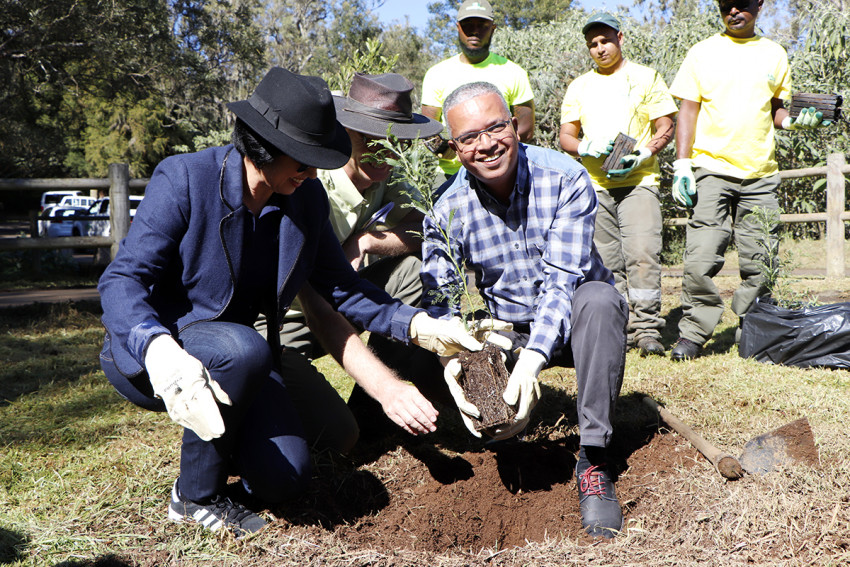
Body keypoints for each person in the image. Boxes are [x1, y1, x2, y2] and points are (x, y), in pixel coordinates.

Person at [98, 67, 484, 538]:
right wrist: (157, 348)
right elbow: (122, 279)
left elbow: (342, 289)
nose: (311, 172)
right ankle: (194, 495)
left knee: (288, 478)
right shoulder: (184, 178)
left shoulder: (304, 200)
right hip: (165, 350)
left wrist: (418, 325)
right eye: (302, 161)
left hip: (246, 358)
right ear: (262, 147)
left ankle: (233, 443)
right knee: (241, 350)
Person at [420, 81, 629, 538]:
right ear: (454, 148)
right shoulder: (445, 208)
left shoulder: (565, 178)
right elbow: (442, 301)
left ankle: (594, 458)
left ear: (515, 125)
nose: (487, 144)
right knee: (494, 406)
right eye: (470, 137)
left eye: (496, 127)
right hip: (507, 329)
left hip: (576, 322)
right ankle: (506, 433)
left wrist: (534, 358)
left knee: (600, 299)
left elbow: (562, 279)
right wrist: (452, 360)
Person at [262, 71, 448, 446]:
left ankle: (373, 408)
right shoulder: (311, 184)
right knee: (332, 436)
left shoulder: (386, 174)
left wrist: (367, 241)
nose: (382, 152)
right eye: (370, 140)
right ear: (345, 132)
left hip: (344, 301)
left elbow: (426, 227)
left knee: (413, 273)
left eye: (394, 144)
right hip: (284, 320)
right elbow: (317, 309)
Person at [668, 0, 829, 361]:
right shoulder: (702, 53)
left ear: (760, 4)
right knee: (701, 256)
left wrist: (791, 122)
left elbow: (777, 108)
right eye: (726, 5)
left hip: (760, 174)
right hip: (711, 169)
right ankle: (694, 333)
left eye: (742, 4)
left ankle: (752, 331)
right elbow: (688, 111)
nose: (734, 11)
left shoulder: (774, 53)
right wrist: (682, 165)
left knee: (761, 258)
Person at [559, 13, 677, 357]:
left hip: (639, 181)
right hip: (595, 186)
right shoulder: (579, 86)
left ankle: (648, 330)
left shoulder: (645, 77)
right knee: (607, 262)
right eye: (592, 44)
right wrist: (583, 146)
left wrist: (644, 153)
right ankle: (621, 329)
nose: (599, 48)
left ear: (620, 38)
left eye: (605, 40)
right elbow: (566, 134)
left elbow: (665, 125)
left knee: (642, 254)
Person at [420, 0, 535, 180]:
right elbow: (426, 130)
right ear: (458, 27)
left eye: (482, 25)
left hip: (504, 174)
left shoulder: (514, 72)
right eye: (467, 25)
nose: (475, 31)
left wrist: (494, 157)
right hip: (451, 175)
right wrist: (454, 155)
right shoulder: (436, 74)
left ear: (493, 28)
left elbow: (526, 130)